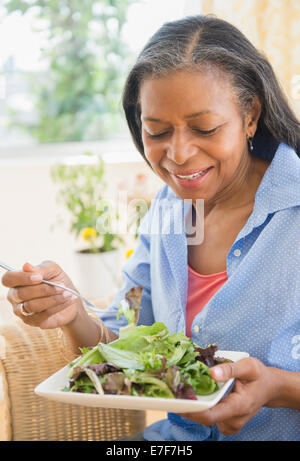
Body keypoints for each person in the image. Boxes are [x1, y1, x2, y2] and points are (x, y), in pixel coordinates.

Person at [2, 15, 300, 441]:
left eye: (204, 128)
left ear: (250, 114)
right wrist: (73, 313)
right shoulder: (167, 211)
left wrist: (278, 387)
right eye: (157, 131)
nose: (178, 154)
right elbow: (125, 338)